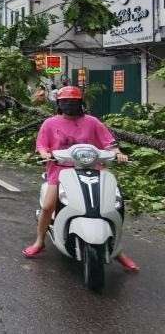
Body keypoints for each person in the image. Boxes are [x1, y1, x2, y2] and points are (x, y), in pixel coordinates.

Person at [23, 86, 138, 272]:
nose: (70, 105)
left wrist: (118, 153)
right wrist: (45, 154)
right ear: (59, 104)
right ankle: (39, 241)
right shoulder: (50, 123)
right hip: (60, 171)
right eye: (65, 101)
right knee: (47, 206)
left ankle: (117, 250)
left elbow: (109, 143)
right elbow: (42, 146)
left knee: (113, 206)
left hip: (92, 170)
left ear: (81, 103)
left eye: (74, 101)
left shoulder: (92, 122)